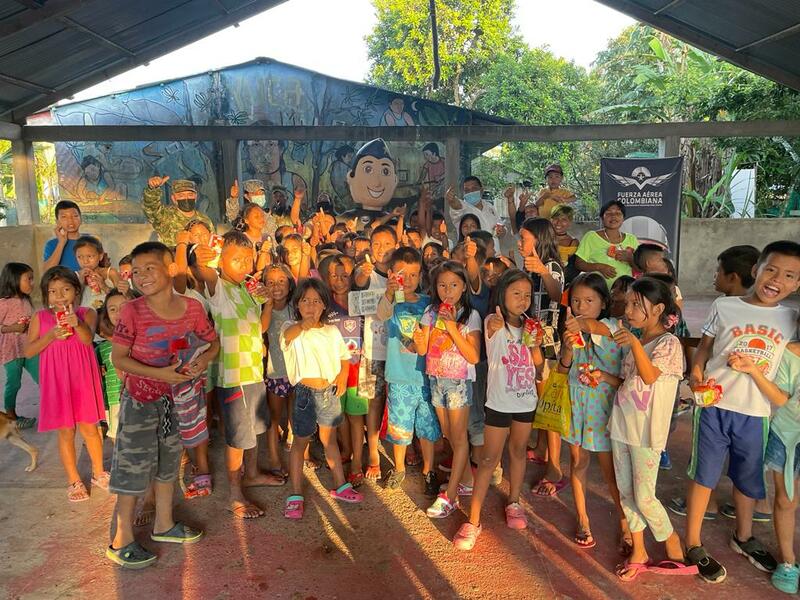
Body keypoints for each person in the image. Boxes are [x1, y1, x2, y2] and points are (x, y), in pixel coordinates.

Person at [684, 241, 800, 583]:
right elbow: (705, 347)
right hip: (714, 406)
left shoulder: (790, 318)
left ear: (797, 284)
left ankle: (743, 537)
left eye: (789, 275)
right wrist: (696, 371)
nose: (777, 279)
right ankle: (692, 542)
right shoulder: (725, 305)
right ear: (756, 270)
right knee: (703, 474)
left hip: (757, 413)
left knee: (748, 481)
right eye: (771, 269)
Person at [107, 242, 219, 569]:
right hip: (140, 402)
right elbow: (120, 358)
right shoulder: (132, 310)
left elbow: (211, 345)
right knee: (132, 471)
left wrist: (202, 363)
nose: (141, 276)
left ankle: (164, 524)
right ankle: (121, 540)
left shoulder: (193, 309)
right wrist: (161, 374)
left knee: (169, 464)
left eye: (149, 268)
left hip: (176, 402)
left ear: (170, 268)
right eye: (136, 271)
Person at [195, 231, 284, 519]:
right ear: (223, 260)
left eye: (248, 259)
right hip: (232, 377)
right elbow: (204, 270)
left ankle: (253, 473)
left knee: (254, 430)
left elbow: (259, 327)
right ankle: (234, 494)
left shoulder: (249, 289)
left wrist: (268, 301)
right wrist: (200, 253)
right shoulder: (218, 288)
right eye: (237, 259)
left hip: (253, 373)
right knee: (236, 437)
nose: (245, 265)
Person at [454, 270, 544, 550]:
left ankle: (514, 501)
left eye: (527, 295)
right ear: (503, 294)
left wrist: (536, 344)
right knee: (488, 459)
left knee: (518, 452)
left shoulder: (531, 325)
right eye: (516, 293)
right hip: (498, 403)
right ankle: (473, 520)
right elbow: (491, 330)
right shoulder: (493, 321)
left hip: (525, 401)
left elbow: (538, 364)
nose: (522, 300)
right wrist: (495, 321)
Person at [610, 277, 689, 580]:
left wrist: (632, 342)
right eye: (627, 303)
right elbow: (627, 382)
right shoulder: (637, 342)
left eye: (635, 305)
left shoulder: (669, 343)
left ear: (657, 309)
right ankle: (639, 551)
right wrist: (603, 377)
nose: (627, 310)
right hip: (621, 425)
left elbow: (649, 377)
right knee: (626, 494)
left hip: (646, 432)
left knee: (644, 496)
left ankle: (671, 540)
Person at [559, 273, 630, 553]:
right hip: (578, 404)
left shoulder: (613, 328)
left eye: (589, 300)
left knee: (611, 472)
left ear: (603, 303)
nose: (581, 306)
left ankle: (625, 524)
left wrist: (582, 324)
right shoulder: (573, 332)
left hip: (603, 409)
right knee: (578, 463)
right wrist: (566, 347)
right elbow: (564, 369)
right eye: (576, 300)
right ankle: (583, 518)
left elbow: (596, 328)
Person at [280, 279, 363, 519]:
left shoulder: (331, 330)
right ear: (297, 305)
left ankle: (340, 485)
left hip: (329, 391)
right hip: (305, 393)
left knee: (330, 441)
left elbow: (344, 356)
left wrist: (343, 376)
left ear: (325, 305)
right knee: (300, 442)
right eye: (305, 300)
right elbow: (287, 335)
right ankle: (295, 493)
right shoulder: (291, 327)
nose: (310, 305)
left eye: (316, 301)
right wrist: (304, 324)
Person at [25, 267, 107, 502]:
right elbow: (29, 351)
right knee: (66, 431)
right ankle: (73, 480)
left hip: (81, 379)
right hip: (57, 382)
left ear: (77, 291)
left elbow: (86, 339)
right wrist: (50, 335)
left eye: (65, 290)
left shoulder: (87, 313)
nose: (59, 296)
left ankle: (98, 473)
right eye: (53, 291)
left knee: (90, 428)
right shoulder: (40, 319)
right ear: (45, 295)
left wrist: (77, 323)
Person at [728, 329, 800, 593]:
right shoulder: (789, 353)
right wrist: (753, 370)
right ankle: (789, 562)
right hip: (788, 435)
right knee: (785, 499)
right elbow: (781, 396)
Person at [414, 261, 482, 519]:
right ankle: (465, 481)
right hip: (436, 378)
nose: (448, 290)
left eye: (454, 285)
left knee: (459, 436)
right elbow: (423, 349)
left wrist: (452, 326)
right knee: (449, 434)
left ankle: (450, 496)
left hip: (458, 381)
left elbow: (473, 356)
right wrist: (419, 340)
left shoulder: (469, 315)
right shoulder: (430, 311)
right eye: (442, 285)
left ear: (464, 286)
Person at [377, 247, 441, 495]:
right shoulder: (391, 302)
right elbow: (381, 313)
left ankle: (429, 470)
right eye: (404, 274)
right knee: (399, 427)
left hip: (425, 377)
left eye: (415, 274)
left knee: (427, 426)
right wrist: (390, 292)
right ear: (392, 274)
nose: (410, 280)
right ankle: (400, 468)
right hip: (399, 377)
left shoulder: (427, 303)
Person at [353, 224, 397, 480]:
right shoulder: (367, 273)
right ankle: (373, 454)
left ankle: (405, 448)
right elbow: (358, 282)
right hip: (373, 349)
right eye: (376, 245)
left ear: (397, 244)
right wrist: (361, 273)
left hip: (400, 352)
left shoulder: (404, 273)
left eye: (387, 244)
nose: (381, 250)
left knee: (399, 400)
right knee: (374, 402)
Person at [320, 255, 366, 487]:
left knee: (356, 416)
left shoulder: (362, 300)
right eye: (334, 276)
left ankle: (357, 462)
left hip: (359, 369)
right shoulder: (323, 305)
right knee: (340, 416)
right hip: (333, 370)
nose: (340, 280)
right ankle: (346, 450)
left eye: (345, 275)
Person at [262, 264, 296, 478]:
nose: (276, 286)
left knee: (295, 411)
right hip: (275, 371)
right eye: (270, 282)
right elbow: (263, 328)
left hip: (296, 370)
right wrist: (267, 304)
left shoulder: (295, 306)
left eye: (281, 281)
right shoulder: (263, 308)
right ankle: (274, 458)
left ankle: (294, 441)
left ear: (290, 284)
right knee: (274, 418)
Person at [0, 262, 38, 428]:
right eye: (28, 279)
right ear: (14, 280)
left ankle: (56, 408)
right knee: (14, 382)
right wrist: (11, 328)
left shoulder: (27, 300)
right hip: (11, 350)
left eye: (32, 279)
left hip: (30, 348)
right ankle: (11, 415)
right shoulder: (4, 303)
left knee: (43, 376)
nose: (32, 283)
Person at [575, 200, 638, 288]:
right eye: (608, 213)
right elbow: (579, 264)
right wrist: (599, 267)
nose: (613, 216)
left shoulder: (632, 239)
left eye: (618, 213)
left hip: (624, 292)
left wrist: (630, 259)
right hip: (597, 291)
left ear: (623, 218)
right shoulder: (591, 237)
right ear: (602, 218)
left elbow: (640, 268)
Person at [339, 138, 398, 231]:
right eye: (368, 169)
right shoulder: (346, 217)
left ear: (395, 181)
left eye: (385, 171)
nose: (377, 183)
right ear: (351, 177)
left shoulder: (393, 220)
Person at [142, 176, 214, 247]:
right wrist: (153, 189)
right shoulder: (165, 216)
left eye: (190, 195)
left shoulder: (205, 220)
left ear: (195, 197)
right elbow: (151, 206)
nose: (186, 198)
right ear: (173, 198)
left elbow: (214, 245)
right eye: (181, 195)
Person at [96, 290, 125, 440]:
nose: (119, 313)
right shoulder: (100, 350)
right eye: (112, 309)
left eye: (124, 307)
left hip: (140, 398)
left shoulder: (142, 341)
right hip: (114, 398)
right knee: (116, 435)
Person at [446, 176, 504, 243]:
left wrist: (502, 231)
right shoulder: (462, 208)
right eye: (467, 190)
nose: (470, 192)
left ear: (481, 190)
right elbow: (455, 204)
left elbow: (500, 225)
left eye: (474, 189)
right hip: (472, 252)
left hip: (494, 252)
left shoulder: (490, 207)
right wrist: (451, 200)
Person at [74, 235, 119, 311]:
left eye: (90, 256)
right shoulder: (74, 276)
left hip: (107, 317)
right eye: (80, 257)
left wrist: (104, 286)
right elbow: (73, 305)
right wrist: (80, 283)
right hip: (85, 318)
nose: (85, 261)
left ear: (100, 256)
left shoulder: (111, 273)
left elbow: (123, 299)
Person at [43, 200, 84, 272]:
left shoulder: (90, 240)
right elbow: (48, 271)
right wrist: (61, 243)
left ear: (81, 219)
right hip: (63, 282)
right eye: (64, 217)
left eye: (75, 216)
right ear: (57, 222)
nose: (70, 220)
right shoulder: (51, 244)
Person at [550, 204, 580, 282]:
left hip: (565, 284)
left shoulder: (573, 242)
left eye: (564, 219)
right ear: (551, 220)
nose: (558, 222)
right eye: (555, 218)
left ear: (570, 222)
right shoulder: (542, 238)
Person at [330, 145, 355, 210]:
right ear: (342, 156)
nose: (350, 159)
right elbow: (339, 184)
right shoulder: (340, 167)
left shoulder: (338, 166)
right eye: (349, 156)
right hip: (345, 197)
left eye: (351, 157)